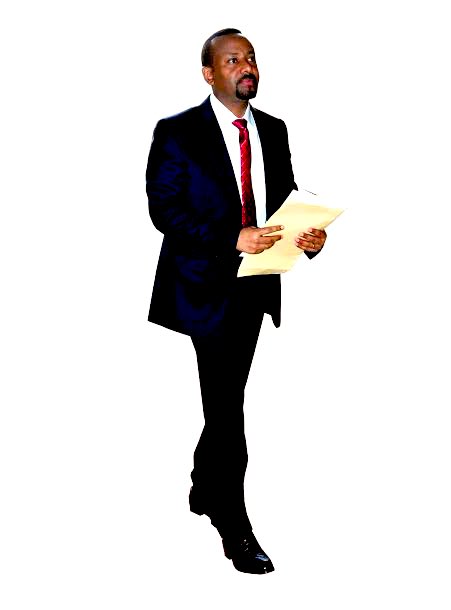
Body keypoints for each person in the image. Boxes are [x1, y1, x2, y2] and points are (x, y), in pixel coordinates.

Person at [146, 28, 327, 574]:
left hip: (259, 282)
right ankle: (233, 522)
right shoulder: (178, 131)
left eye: (250, 58)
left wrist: (309, 236)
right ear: (209, 73)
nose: (245, 66)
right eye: (231, 60)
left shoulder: (273, 128)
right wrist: (232, 237)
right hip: (204, 287)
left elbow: (285, 196)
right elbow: (164, 210)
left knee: (225, 398)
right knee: (228, 412)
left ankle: (205, 485)